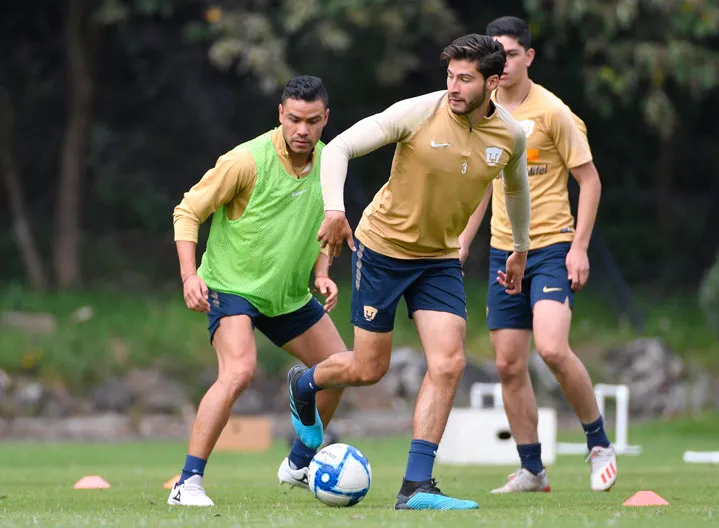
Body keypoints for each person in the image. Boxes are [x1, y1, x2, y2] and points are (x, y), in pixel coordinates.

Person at [285, 34, 532, 511]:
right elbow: (337, 149)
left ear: (494, 82)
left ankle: (416, 486)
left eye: (466, 79)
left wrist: (519, 249)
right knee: (368, 369)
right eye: (450, 76)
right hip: (382, 251)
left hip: (438, 260)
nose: (454, 87)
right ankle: (304, 384)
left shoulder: (510, 136)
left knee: (449, 362)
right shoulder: (418, 112)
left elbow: (516, 191)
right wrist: (334, 210)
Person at [169, 76, 347, 507]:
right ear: (280, 116)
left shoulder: (330, 163)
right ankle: (186, 483)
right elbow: (188, 211)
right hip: (232, 288)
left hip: (286, 296)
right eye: (293, 120)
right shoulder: (245, 161)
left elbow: (328, 227)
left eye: (311, 121)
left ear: (326, 119)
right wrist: (190, 276)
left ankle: (300, 463)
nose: (301, 130)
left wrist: (322, 272)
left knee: (340, 369)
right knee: (239, 371)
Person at [459, 16, 616, 493]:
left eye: (510, 54)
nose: (502, 63)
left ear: (528, 57)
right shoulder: (483, 113)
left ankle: (598, 444)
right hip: (505, 253)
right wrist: (464, 242)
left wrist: (579, 248)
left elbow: (589, 181)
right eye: (495, 55)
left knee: (550, 347)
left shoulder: (554, 113)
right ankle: (532, 469)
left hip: (550, 247)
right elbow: (483, 185)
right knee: (508, 364)